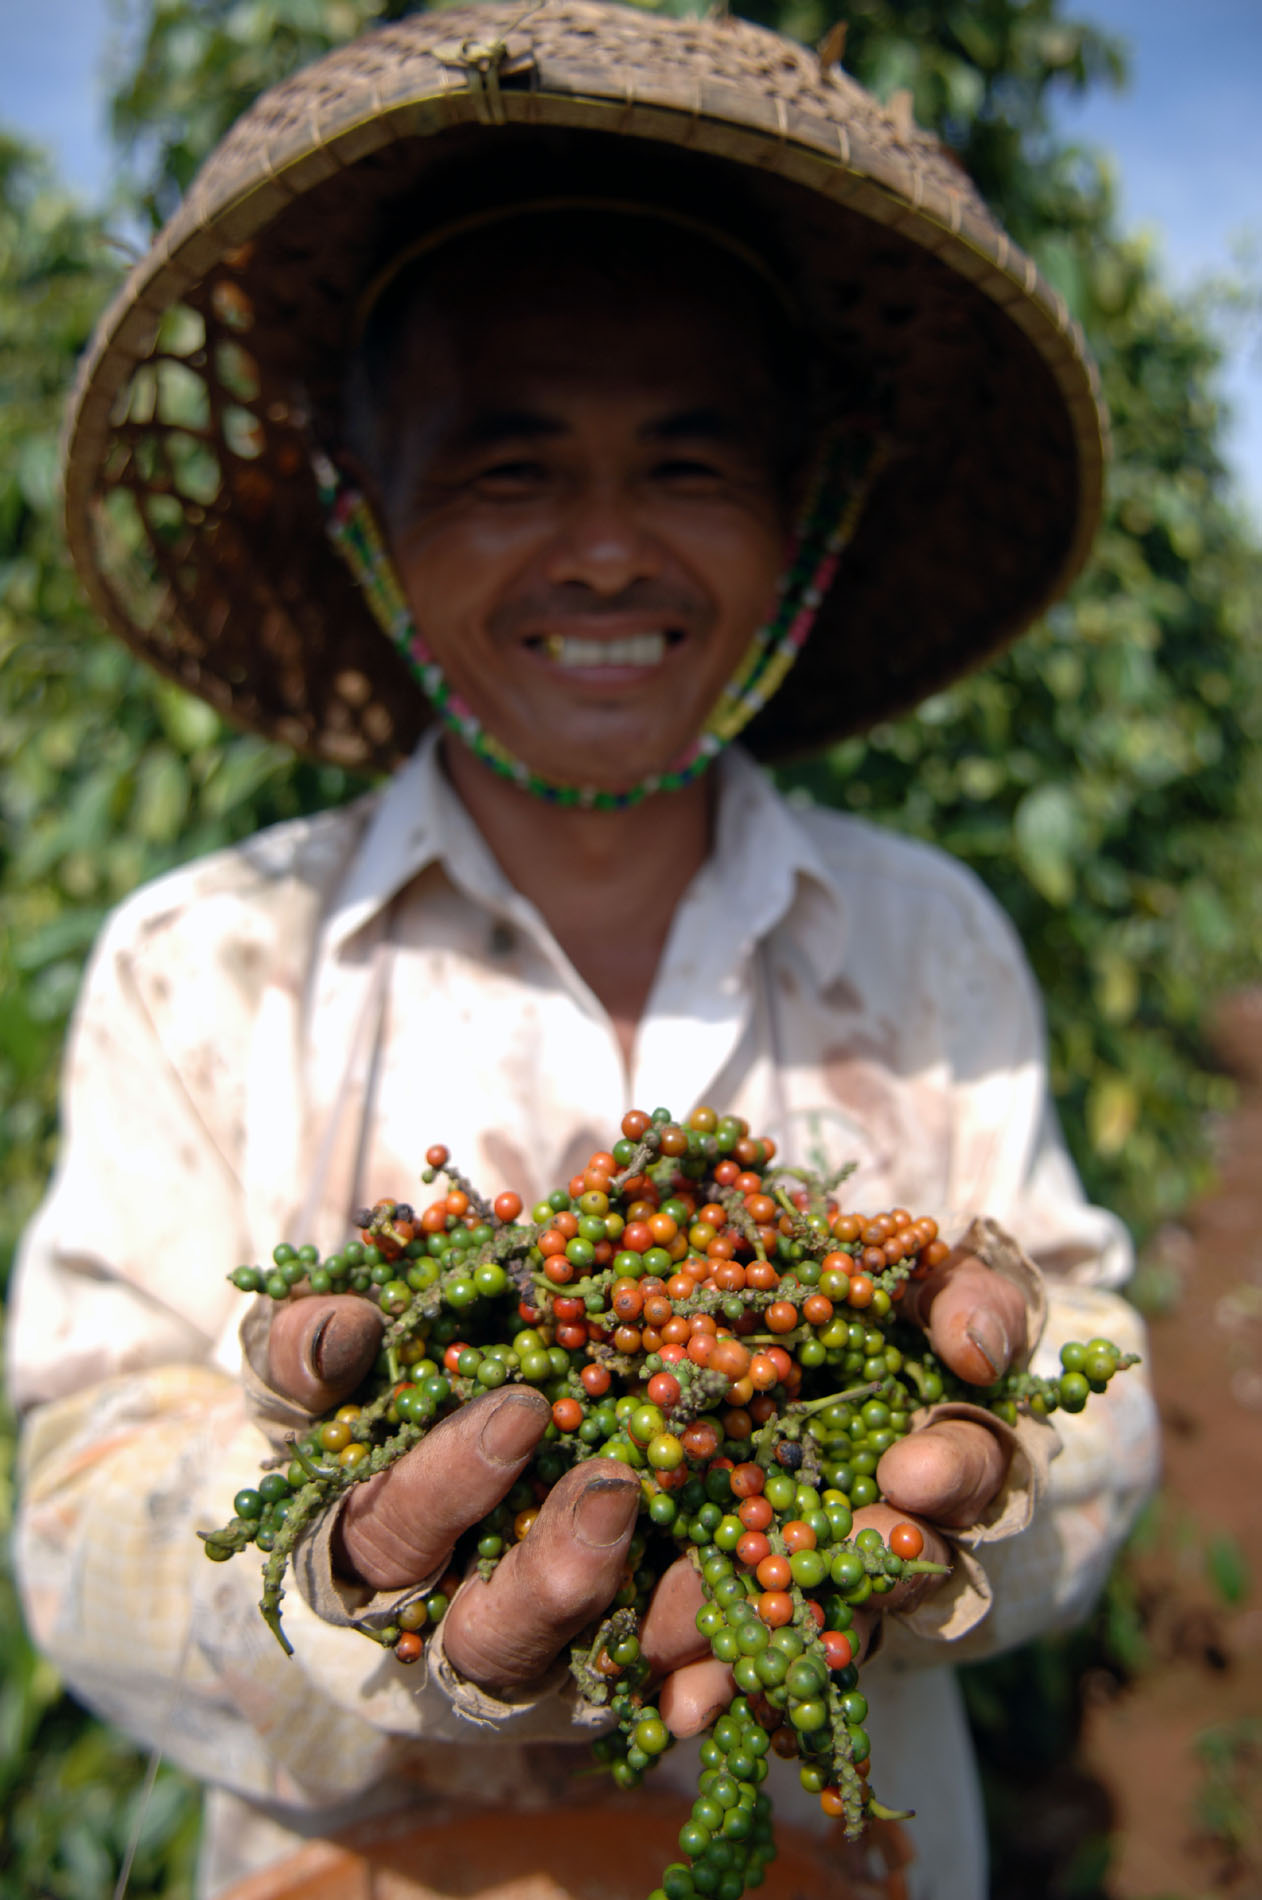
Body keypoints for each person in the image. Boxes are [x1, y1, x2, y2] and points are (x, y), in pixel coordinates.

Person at [10, 5, 1159, 1897]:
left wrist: (976, 1488)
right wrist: (355, 1578)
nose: (608, 553)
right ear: (359, 516)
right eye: (507, 468)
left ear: (811, 516)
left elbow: (1087, 1360)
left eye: (689, 468)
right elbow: (80, 1500)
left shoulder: (922, 939)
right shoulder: (207, 965)